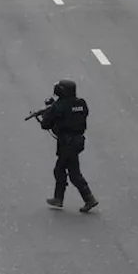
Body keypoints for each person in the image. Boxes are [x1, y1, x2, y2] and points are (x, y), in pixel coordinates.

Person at [39, 79, 98, 212]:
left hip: (67, 142)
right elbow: (76, 113)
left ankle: (84, 198)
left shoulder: (59, 106)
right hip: (78, 141)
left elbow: (46, 124)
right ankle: (70, 198)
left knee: (63, 171)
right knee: (71, 171)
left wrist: (48, 112)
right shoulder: (81, 103)